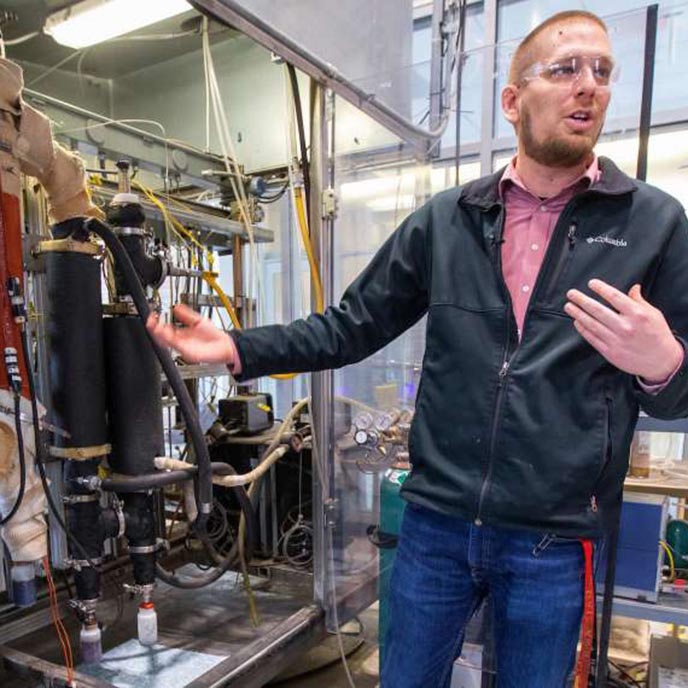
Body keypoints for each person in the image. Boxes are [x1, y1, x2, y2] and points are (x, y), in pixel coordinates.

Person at [147, 10, 688, 687]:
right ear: (513, 101)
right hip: (438, 526)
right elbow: (349, 327)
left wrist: (665, 362)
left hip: (554, 538)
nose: (589, 87)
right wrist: (236, 346)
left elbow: (679, 394)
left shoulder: (654, 224)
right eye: (565, 69)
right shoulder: (448, 220)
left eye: (602, 72)